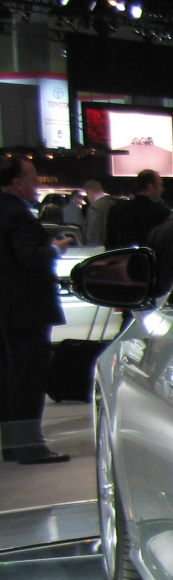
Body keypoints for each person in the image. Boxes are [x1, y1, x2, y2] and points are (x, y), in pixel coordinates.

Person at [0, 156, 72, 464]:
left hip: (9, 309)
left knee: (11, 376)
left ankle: (13, 444)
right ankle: (30, 446)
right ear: (17, 182)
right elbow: (30, 257)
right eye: (32, 178)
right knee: (28, 377)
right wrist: (56, 248)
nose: (37, 184)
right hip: (27, 309)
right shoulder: (16, 214)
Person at [104, 168, 170, 248]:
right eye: (160, 185)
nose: (162, 189)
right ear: (151, 187)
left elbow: (109, 242)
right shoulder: (162, 212)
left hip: (121, 255)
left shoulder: (116, 209)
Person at [81, 177, 113, 246]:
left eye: (87, 194)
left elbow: (92, 234)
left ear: (89, 191)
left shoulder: (94, 208)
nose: (87, 197)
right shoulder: (110, 203)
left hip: (97, 247)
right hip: (109, 245)